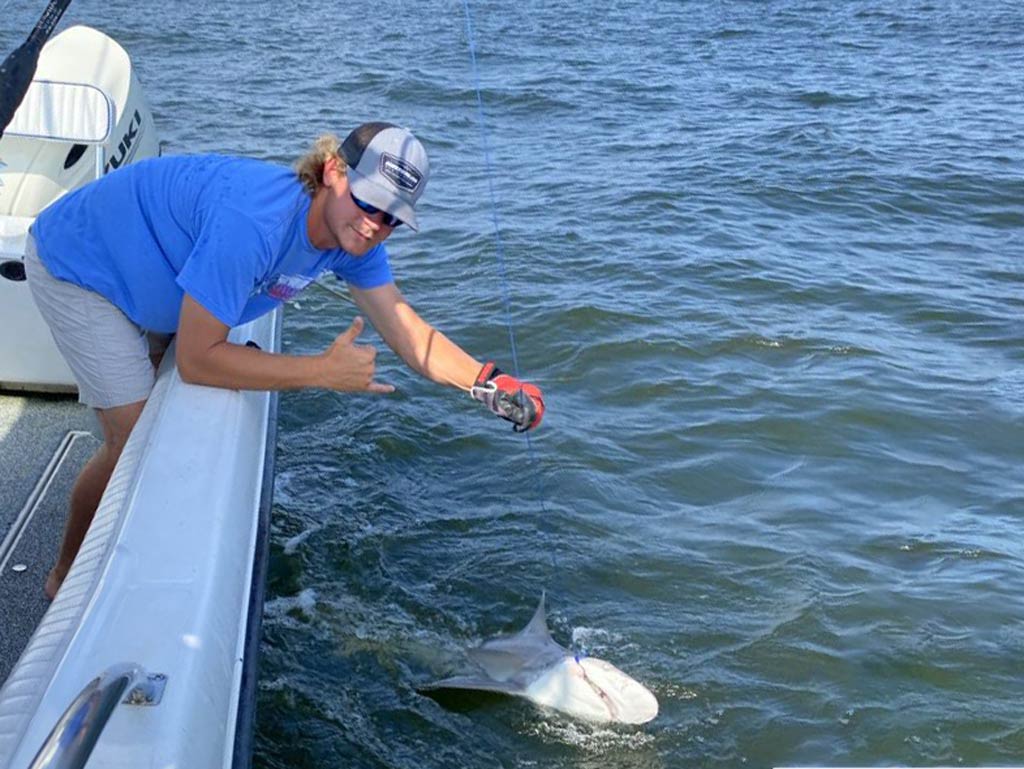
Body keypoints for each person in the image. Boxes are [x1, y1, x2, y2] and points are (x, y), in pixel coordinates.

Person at [26, 121, 545, 600]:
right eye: (367, 204)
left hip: (154, 269)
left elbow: (408, 331)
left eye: (391, 219)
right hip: (80, 268)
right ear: (332, 171)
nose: (373, 227)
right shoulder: (254, 223)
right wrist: (321, 371)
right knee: (134, 442)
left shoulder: (352, 243)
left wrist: (488, 383)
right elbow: (197, 361)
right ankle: (62, 578)